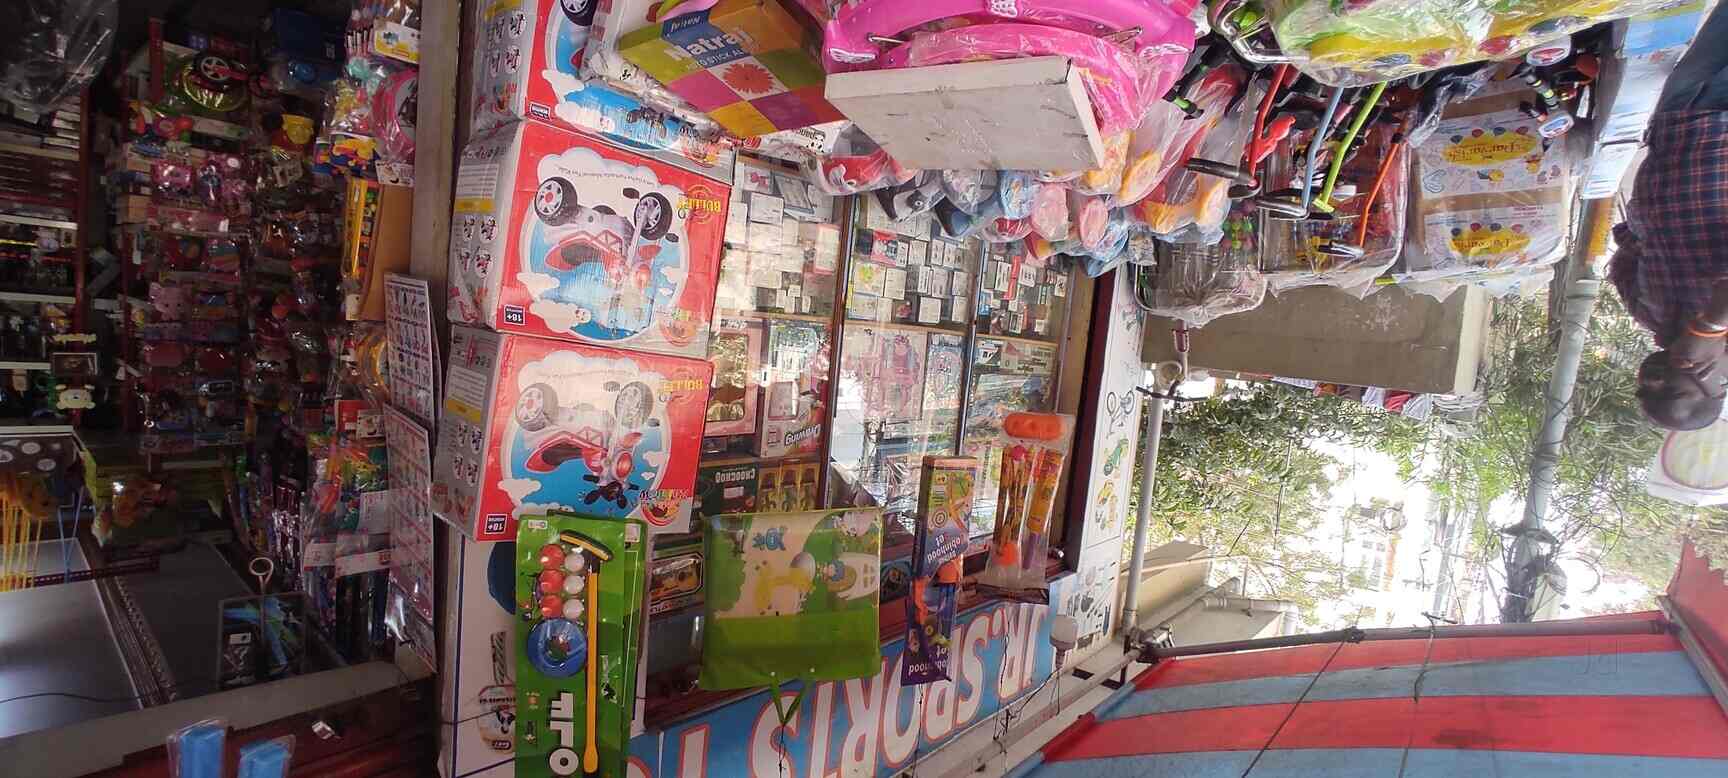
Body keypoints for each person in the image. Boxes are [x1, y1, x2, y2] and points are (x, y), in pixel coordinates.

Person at [1611, 3, 1728, 430]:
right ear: (1716, 385)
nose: (1652, 380)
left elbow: (1623, 261)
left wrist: (1643, 230)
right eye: (1672, 391)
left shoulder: (1650, 315)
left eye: (1644, 390)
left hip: (1678, 117)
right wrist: (1710, 328)